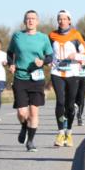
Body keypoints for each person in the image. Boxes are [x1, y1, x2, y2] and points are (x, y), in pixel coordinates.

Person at [6, 10, 53, 151]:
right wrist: (11, 64)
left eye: (33, 19)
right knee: (22, 113)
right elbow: (9, 53)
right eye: (28, 19)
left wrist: (43, 61)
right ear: (24, 21)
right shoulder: (17, 36)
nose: (30, 21)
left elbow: (50, 57)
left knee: (33, 112)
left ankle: (30, 141)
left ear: (37, 22)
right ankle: (24, 126)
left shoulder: (43, 38)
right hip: (20, 77)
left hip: (36, 78)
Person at [49, 10, 85, 147]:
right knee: (60, 102)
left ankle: (69, 133)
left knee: (70, 105)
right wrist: (46, 60)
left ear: (69, 21)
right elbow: (47, 53)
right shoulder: (52, 35)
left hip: (73, 73)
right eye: (59, 19)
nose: (62, 21)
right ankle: (60, 132)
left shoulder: (76, 35)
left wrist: (76, 56)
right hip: (56, 72)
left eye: (64, 19)